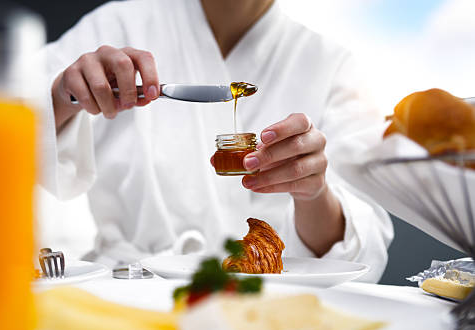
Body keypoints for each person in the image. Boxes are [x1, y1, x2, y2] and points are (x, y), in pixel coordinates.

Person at [37, 0, 393, 281]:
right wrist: (62, 95)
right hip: (127, 288)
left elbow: (362, 254)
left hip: (268, 303)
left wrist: (313, 193)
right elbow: (2, 120)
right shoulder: (116, 26)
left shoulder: (332, 66)